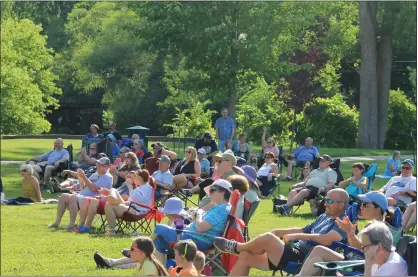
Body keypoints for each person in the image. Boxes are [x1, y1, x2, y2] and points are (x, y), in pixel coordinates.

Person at [213, 188, 349, 276]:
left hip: (306, 258)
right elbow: (302, 229)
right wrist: (277, 231)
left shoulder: (345, 222)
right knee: (245, 257)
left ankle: (236, 247)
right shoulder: (324, 216)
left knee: (266, 239)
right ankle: (239, 249)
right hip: (293, 252)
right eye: (325, 200)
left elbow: (328, 239)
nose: (325, 203)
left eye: (329, 201)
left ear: (341, 205)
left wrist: (297, 236)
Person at [297, 191, 390, 276]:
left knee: (319, 251)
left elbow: (367, 251)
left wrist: (350, 233)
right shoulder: (371, 225)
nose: (361, 207)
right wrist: (349, 233)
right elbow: (359, 247)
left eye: (365, 205)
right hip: (351, 258)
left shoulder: (380, 230)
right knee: (318, 256)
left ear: (378, 209)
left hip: (358, 264)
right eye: (361, 204)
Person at [93, 197, 190, 269]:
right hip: (164, 251)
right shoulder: (172, 221)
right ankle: (111, 262)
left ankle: (113, 265)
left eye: (168, 213)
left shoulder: (185, 223)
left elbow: (181, 246)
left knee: (145, 259)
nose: (167, 215)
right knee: (143, 256)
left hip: (174, 258)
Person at [150, 179, 232, 265]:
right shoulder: (220, 207)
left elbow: (200, 228)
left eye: (212, 190)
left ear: (222, 193)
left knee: (159, 228)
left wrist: (197, 215)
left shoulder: (221, 210)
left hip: (196, 240)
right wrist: (197, 214)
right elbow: (200, 223)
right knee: (160, 239)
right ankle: (161, 270)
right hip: (193, 236)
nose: (209, 194)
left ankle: (141, 250)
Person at [48, 157, 113, 230]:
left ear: (107, 167)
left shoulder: (107, 177)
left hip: (94, 200)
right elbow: (83, 187)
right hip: (83, 196)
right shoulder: (95, 174)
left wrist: (84, 177)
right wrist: (80, 178)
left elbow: (94, 188)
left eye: (101, 165)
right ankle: (57, 222)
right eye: (97, 164)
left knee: (72, 197)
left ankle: (71, 224)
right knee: (63, 196)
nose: (98, 166)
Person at [105, 169, 153, 236]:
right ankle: (114, 200)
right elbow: (130, 201)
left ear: (139, 178)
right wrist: (126, 203)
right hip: (130, 207)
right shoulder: (139, 188)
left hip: (137, 211)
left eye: (135, 176)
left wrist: (130, 187)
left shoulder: (148, 188)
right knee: (112, 189)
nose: (134, 178)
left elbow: (137, 198)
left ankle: (112, 231)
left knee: (108, 205)